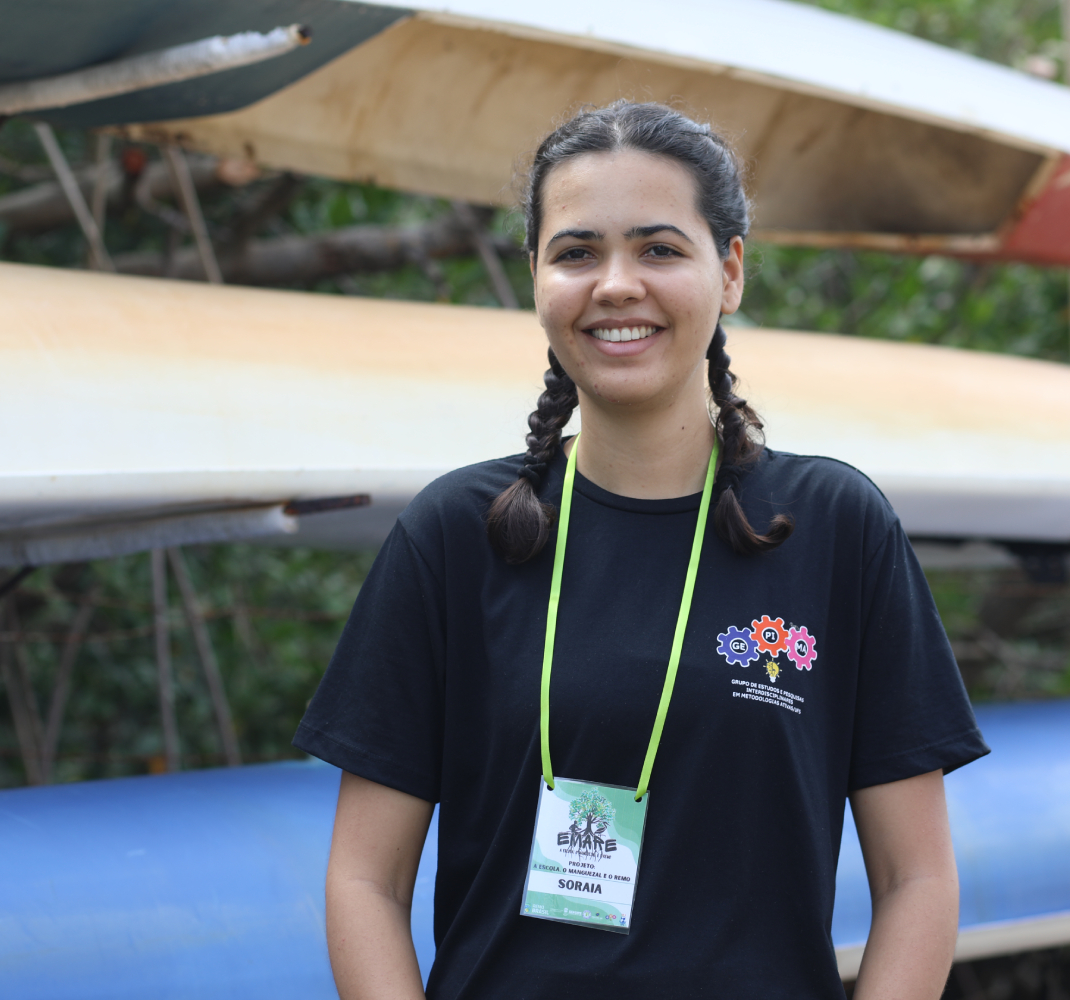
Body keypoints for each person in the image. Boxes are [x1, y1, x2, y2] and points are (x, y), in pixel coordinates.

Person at [294, 100, 988, 1000]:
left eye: (659, 249)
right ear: (537, 277)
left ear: (729, 272)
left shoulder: (834, 527)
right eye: (577, 252)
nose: (616, 285)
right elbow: (364, 881)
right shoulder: (454, 535)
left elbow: (917, 881)